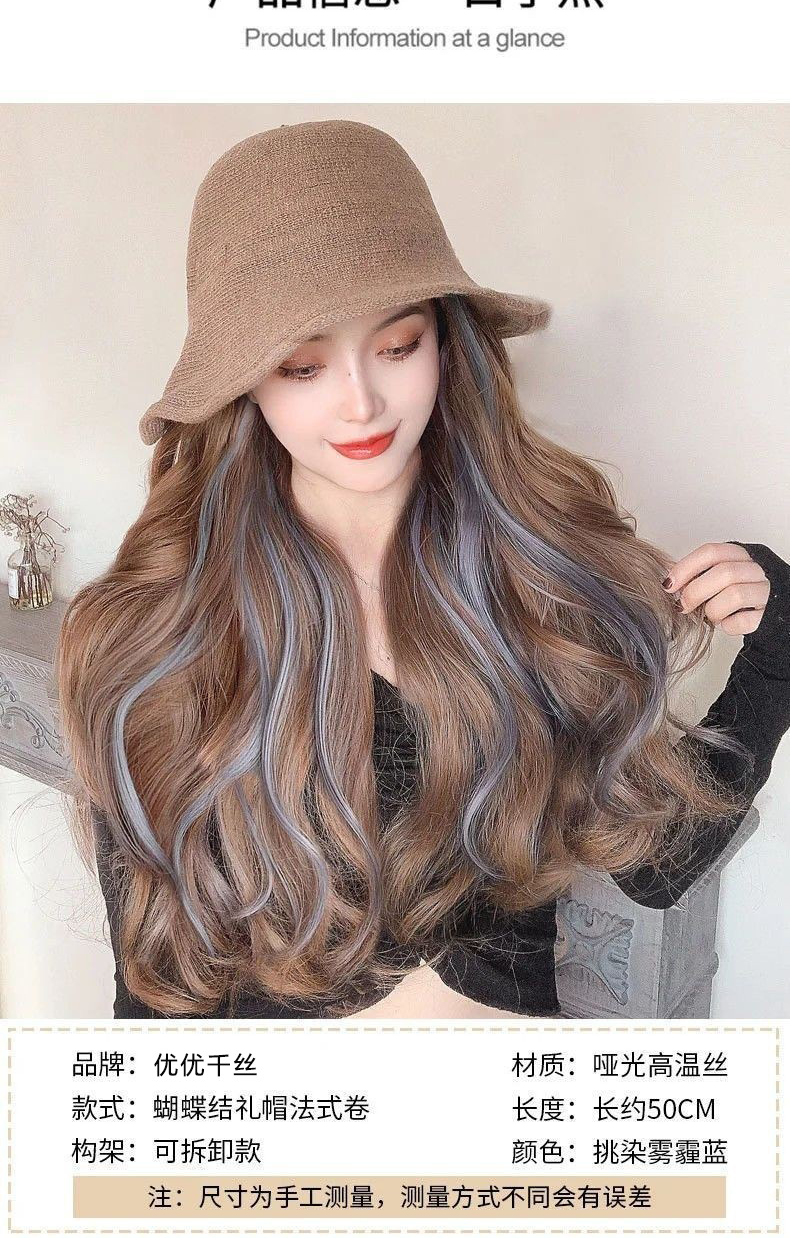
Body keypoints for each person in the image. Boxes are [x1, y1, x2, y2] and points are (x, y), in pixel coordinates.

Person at [54, 119, 790, 1020]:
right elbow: (156, 990)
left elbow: (658, 866)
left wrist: (778, 647)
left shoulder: (537, 582)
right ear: (244, 385)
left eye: (397, 346)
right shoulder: (154, 633)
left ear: (447, 343)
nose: (361, 401)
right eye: (302, 366)